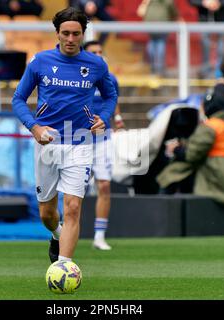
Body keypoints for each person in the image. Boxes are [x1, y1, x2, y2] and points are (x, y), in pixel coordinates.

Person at [12, 7, 118, 263]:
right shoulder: (40, 62)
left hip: (80, 141)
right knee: (48, 214)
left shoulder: (96, 64)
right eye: (66, 33)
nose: (71, 39)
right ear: (57, 33)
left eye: (76, 34)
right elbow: (18, 99)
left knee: (72, 208)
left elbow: (110, 95)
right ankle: (57, 234)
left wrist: (103, 117)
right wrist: (34, 127)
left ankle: (64, 266)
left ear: (83, 34)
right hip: (47, 142)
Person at [156, 86, 224, 207]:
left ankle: (162, 207)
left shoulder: (210, 126)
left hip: (216, 186)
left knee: (175, 170)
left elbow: (192, 155)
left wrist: (176, 149)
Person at [83, 40, 125, 251]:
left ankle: (99, 236)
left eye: (101, 51)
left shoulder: (109, 78)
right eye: (94, 52)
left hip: (103, 137)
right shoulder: (76, 78)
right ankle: (66, 230)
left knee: (105, 185)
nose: (99, 55)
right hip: (78, 138)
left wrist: (117, 116)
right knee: (76, 189)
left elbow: (113, 97)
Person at [189, 0, 224, 79]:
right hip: (204, 19)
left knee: (221, 47)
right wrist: (204, 3)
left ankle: (220, 72)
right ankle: (205, 72)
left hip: (221, 19)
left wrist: (218, 3)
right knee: (205, 46)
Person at [137, 0, 179, 77]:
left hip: (151, 26)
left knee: (153, 44)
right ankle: (158, 68)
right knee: (159, 44)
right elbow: (174, 12)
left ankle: (153, 68)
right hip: (161, 26)